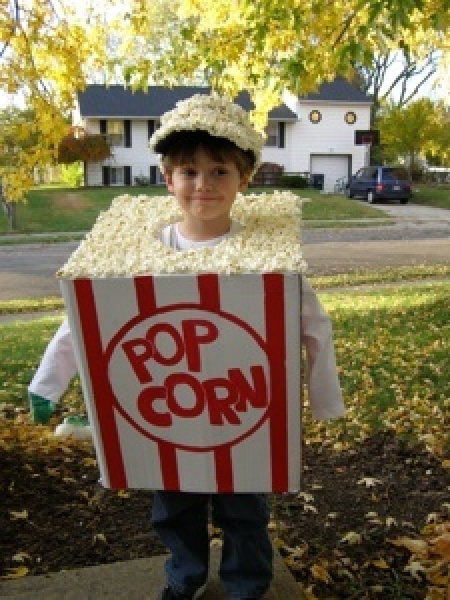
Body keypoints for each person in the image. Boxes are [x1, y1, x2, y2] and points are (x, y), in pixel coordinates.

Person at [28, 93, 345, 600]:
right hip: (166, 423)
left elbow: (313, 324)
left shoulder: (271, 256)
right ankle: (185, 575)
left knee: (245, 510)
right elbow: (87, 320)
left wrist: (324, 399)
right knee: (173, 507)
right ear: (168, 178)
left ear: (244, 178)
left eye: (219, 171)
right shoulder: (134, 252)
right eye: (189, 171)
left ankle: (246, 584)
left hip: (242, 417)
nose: (203, 185)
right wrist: (49, 381)